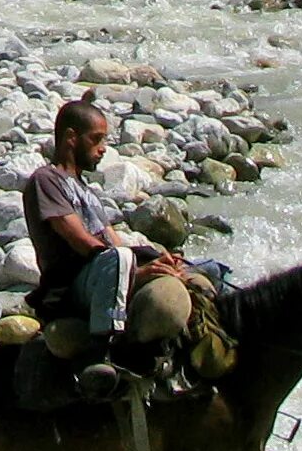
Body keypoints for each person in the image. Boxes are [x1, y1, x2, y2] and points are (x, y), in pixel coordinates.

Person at [23, 99, 192, 396]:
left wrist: (152, 264)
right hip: (69, 288)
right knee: (119, 257)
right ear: (71, 138)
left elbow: (113, 240)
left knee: (182, 268)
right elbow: (82, 241)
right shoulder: (46, 180)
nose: (103, 149)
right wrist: (129, 267)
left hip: (105, 273)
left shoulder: (87, 192)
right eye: (97, 139)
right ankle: (101, 352)